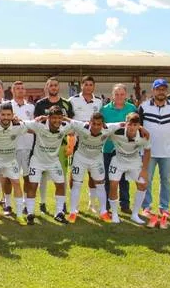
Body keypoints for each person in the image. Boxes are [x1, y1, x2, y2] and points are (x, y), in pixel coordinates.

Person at [0, 102, 33, 226]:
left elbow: (33, 127)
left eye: (9, 114)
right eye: (3, 115)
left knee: (16, 183)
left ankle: (19, 215)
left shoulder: (19, 125)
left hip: (10, 159)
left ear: (13, 115)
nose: (6, 117)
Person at [138, 78, 170, 229]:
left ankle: (164, 208)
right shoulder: (143, 106)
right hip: (148, 151)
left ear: (166, 91)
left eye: (163, 89)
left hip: (167, 151)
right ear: (153, 91)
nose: (161, 91)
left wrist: (165, 136)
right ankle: (147, 207)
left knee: (166, 181)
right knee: (146, 180)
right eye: (158, 89)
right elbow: (139, 126)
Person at [21, 106, 73, 225]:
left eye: (60, 118)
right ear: (48, 118)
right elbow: (21, 122)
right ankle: (30, 213)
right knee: (32, 186)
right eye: (54, 118)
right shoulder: (39, 126)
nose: (57, 121)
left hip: (53, 162)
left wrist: (67, 119)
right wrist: (37, 119)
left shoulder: (65, 127)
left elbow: (81, 125)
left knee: (61, 185)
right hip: (37, 161)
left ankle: (59, 213)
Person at [66, 113, 121, 223]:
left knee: (100, 184)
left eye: (99, 124)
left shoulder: (108, 128)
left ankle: (103, 212)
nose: (96, 126)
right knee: (77, 184)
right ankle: (72, 212)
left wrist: (142, 129)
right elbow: (66, 119)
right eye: (94, 124)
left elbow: (125, 124)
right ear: (89, 122)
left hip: (96, 159)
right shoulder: (81, 126)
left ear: (103, 124)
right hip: (80, 158)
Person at [33, 77, 75, 214]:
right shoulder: (40, 104)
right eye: (51, 85)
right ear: (47, 87)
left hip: (61, 145)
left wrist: (71, 145)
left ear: (59, 87)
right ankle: (43, 203)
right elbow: (35, 124)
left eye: (56, 85)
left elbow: (71, 125)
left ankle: (61, 205)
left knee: (61, 176)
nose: (54, 88)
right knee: (43, 175)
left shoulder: (66, 104)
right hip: (44, 145)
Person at [103, 113, 151, 225]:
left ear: (139, 125)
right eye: (130, 124)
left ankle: (135, 215)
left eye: (135, 125)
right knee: (113, 184)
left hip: (134, 161)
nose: (132, 127)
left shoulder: (144, 135)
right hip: (118, 160)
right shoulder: (116, 131)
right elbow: (103, 126)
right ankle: (114, 214)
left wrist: (144, 170)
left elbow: (148, 151)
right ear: (126, 124)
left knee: (143, 184)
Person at [68, 75, 103, 213]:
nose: (88, 87)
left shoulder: (99, 102)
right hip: (78, 142)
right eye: (86, 84)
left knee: (92, 174)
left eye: (91, 84)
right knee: (75, 174)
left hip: (94, 142)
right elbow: (70, 120)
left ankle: (92, 203)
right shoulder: (73, 100)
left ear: (94, 86)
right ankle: (74, 205)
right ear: (81, 85)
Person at [101, 84, 137, 214]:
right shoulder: (104, 109)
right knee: (107, 178)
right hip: (108, 148)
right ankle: (106, 206)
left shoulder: (132, 108)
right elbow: (102, 128)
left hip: (125, 149)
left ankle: (125, 204)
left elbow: (136, 126)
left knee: (124, 178)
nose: (119, 97)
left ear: (126, 95)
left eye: (122, 94)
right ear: (112, 95)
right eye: (117, 94)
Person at [6, 81, 35, 216]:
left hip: (28, 146)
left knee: (27, 177)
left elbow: (34, 126)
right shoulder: (6, 106)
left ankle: (25, 203)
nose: (20, 90)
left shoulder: (31, 107)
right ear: (12, 90)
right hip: (12, 147)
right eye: (17, 88)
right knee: (9, 177)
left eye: (22, 88)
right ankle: (7, 204)